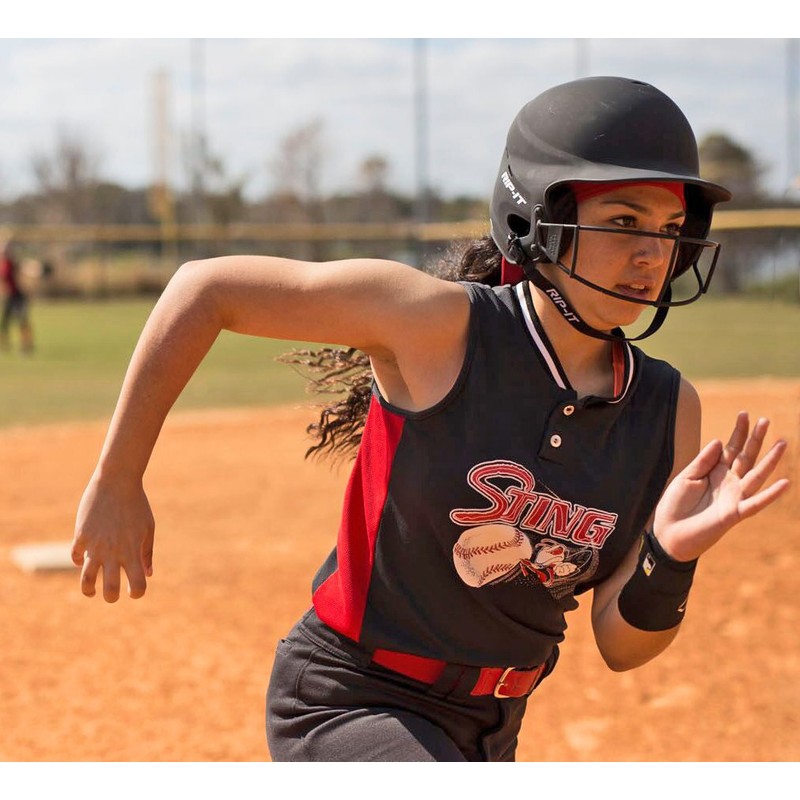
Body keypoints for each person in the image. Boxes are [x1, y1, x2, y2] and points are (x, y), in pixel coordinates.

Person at [71, 76, 790, 762]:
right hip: (350, 699)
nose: (651, 254)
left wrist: (670, 554)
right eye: (624, 221)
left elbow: (620, 645)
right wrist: (118, 476)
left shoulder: (668, 408)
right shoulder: (438, 327)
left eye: (669, 229)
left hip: (489, 730)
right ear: (534, 222)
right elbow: (209, 288)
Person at [0, 238, 34, 354]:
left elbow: (26, 270)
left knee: (21, 320)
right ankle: (5, 346)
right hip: (8, 297)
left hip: (17, 296)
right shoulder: (2, 264)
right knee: (5, 322)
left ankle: (27, 346)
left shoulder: (12, 263)